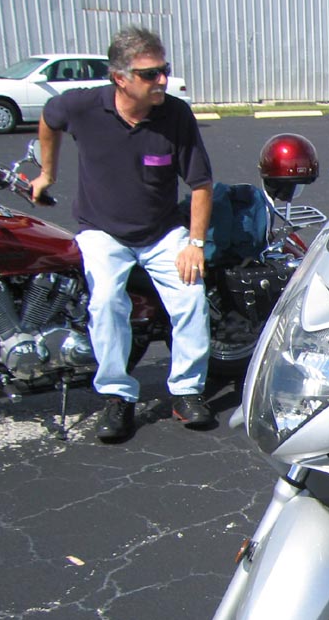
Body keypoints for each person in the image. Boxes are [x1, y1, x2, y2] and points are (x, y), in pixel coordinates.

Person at [31, 25, 215, 443]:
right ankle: (118, 396)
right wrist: (47, 173)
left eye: (164, 70)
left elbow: (201, 184)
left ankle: (186, 391)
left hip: (162, 231)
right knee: (105, 302)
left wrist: (195, 244)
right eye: (150, 74)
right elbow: (49, 118)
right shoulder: (82, 106)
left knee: (191, 297)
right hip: (102, 231)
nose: (162, 80)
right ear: (120, 78)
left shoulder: (175, 115)